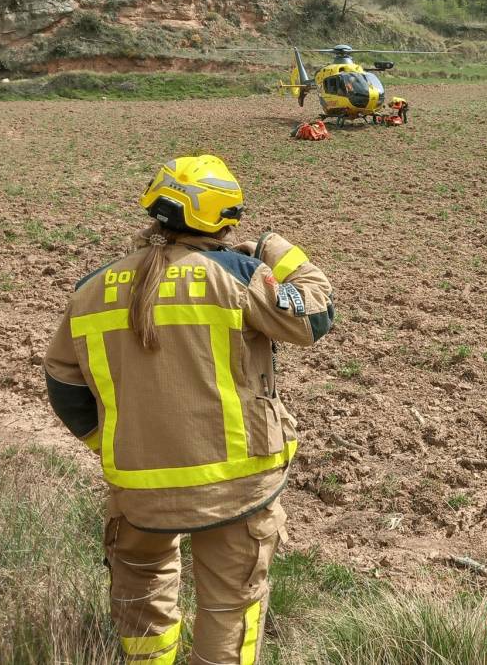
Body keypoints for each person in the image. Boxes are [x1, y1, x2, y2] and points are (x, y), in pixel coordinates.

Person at [43, 154, 335, 665]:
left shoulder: (91, 290)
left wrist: (116, 441)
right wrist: (276, 250)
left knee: (141, 587)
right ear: (225, 218)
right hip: (238, 483)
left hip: (138, 484)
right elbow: (315, 314)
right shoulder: (240, 275)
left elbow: (64, 386)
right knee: (230, 603)